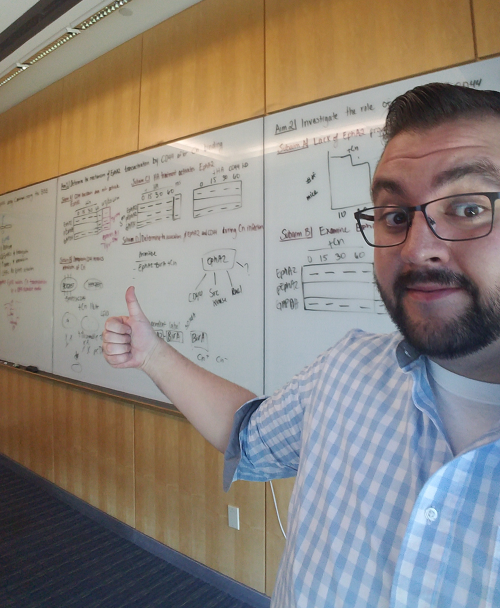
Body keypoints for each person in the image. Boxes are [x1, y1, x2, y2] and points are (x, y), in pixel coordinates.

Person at [103, 83, 500, 608]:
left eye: (468, 208)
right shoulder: (348, 369)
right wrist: (153, 355)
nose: (417, 248)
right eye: (395, 216)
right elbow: (249, 435)